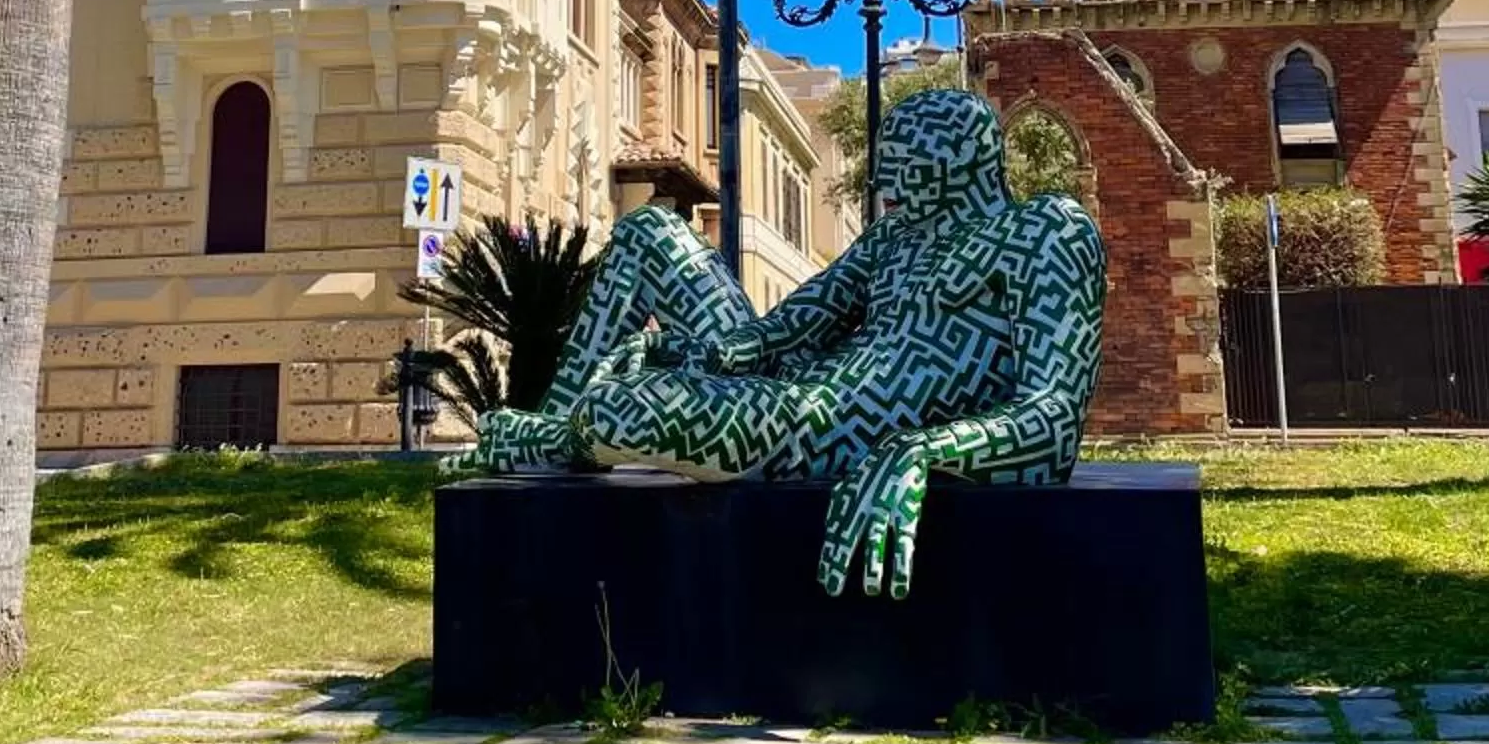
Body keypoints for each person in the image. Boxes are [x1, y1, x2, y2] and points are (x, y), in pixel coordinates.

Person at [445, 87, 1107, 596]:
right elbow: (787, 326)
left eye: (904, 166)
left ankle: (557, 438)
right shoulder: (894, 238)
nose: (884, 182)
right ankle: (556, 428)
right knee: (651, 232)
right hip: (797, 385)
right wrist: (702, 352)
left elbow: (1052, 423)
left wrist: (921, 453)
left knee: (623, 408)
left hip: (820, 426)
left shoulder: (1045, 232)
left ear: (959, 164)